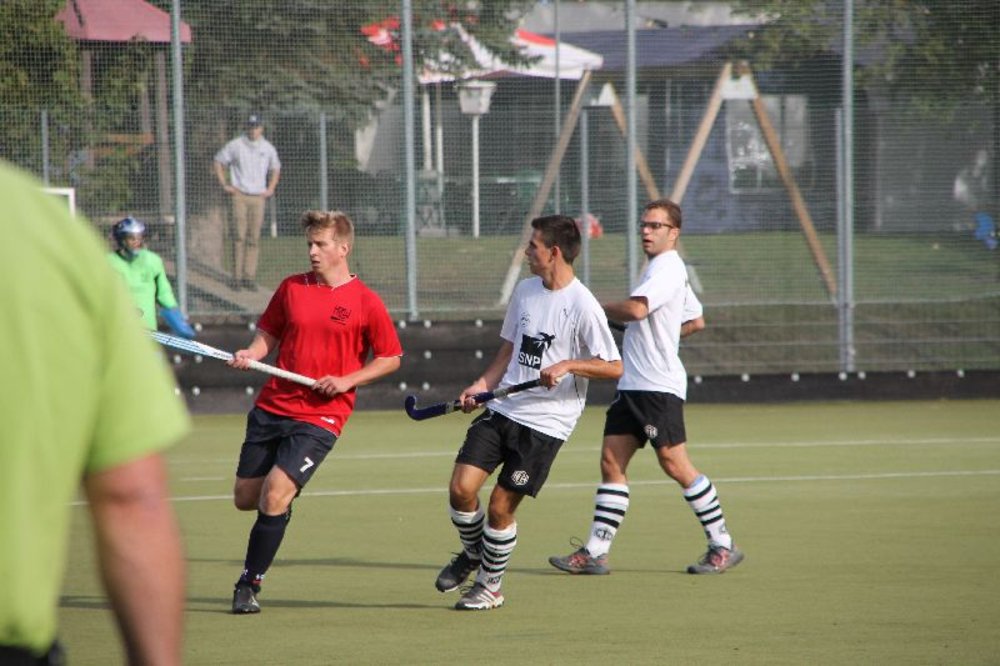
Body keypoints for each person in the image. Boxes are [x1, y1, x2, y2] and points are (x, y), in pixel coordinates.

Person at [0, 161, 190, 664]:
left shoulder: (145, 262)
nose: (134, 243)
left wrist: (181, 326)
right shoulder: (50, 232)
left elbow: (167, 301)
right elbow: (132, 496)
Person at [435, 214, 623, 611]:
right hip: (504, 407)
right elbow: (509, 349)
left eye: (533, 246)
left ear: (553, 252)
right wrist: (481, 385)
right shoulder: (525, 291)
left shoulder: (583, 304)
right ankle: (474, 553)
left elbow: (613, 366)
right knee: (461, 489)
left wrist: (569, 364)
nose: (526, 252)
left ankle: (490, 587)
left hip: (546, 424)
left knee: (500, 507)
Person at [549, 198, 744, 577]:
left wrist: (593, 307)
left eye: (655, 226)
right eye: (644, 224)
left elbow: (637, 310)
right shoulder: (660, 270)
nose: (646, 231)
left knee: (674, 463)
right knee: (611, 462)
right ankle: (595, 552)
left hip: (656, 387)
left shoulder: (668, 268)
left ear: (674, 233)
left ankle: (723, 544)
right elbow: (696, 321)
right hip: (632, 385)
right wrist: (660, 335)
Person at [226, 210, 402, 614]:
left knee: (274, 494)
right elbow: (268, 333)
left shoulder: (366, 301)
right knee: (246, 498)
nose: (312, 251)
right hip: (272, 406)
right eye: (310, 244)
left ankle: (248, 583)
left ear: (343, 248)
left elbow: (391, 357)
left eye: (321, 244)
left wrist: (347, 380)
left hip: (321, 416)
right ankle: (281, 505)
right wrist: (251, 353)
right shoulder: (292, 287)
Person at [213, 114, 282, 291]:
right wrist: (225, 184)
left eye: (256, 127)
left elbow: (276, 168)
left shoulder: (267, 148)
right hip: (240, 195)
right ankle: (236, 277)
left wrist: (271, 188)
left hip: (258, 197)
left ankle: (248, 277)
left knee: (253, 237)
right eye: (250, 126)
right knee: (239, 236)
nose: (253, 130)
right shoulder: (236, 145)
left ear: (261, 128)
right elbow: (219, 161)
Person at [107, 216, 196, 338]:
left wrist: (180, 325)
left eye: (139, 238)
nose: (136, 242)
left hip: (149, 332)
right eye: (131, 238)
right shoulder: (109, 263)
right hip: (119, 331)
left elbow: (164, 295)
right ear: (121, 239)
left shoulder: (152, 261)